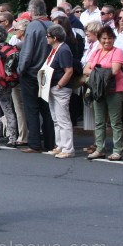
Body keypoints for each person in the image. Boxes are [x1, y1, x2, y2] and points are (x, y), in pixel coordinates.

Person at [17, 0, 55, 154]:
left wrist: (20, 69)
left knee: (31, 108)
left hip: (32, 73)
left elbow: (27, 52)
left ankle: (34, 143)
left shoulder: (33, 26)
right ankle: (50, 142)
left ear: (32, 11)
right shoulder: (53, 25)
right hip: (48, 72)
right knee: (47, 108)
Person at [82, 26, 123, 161]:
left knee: (115, 121)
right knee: (99, 121)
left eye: (110, 38)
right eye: (104, 38)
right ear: (100, 39)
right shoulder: (97, 52)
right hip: (99, 90)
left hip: (115, 90)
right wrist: (101, 72)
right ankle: (99, 149)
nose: (107, 41)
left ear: (114, 39)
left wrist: (96, 71)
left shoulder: (117, 52)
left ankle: (117, 150)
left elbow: (114, 71)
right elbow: (85, 69)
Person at [44, 25, 75, 159]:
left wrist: (59, 85)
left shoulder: (63, 50)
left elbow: (69, 70)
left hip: (60, 89)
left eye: (48, 36)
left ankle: (68, 148)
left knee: (63, 119)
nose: (46, 38)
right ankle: (60, 145)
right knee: (56, 119)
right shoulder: (55, 49)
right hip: (51, 88)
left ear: (54, 38)